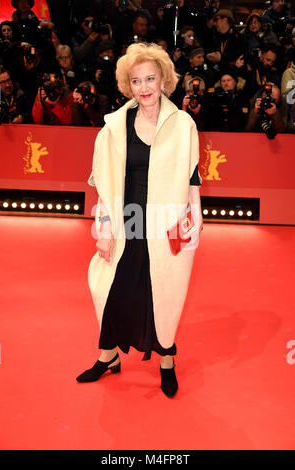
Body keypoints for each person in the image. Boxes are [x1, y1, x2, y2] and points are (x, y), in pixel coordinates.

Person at [76, 42, 203, 398]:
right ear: (127, 85)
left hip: (166, 222)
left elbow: (192, 174)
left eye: (150, 78)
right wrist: (103, 226)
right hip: (126, 221)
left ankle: (166, 361)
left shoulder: (183, 124)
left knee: (163, 292)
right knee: (112, 289)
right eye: (136, 81)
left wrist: (197, 213)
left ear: (164, 79)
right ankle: (108, 356)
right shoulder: (114, 127)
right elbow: (102, 181)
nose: (144, 87)